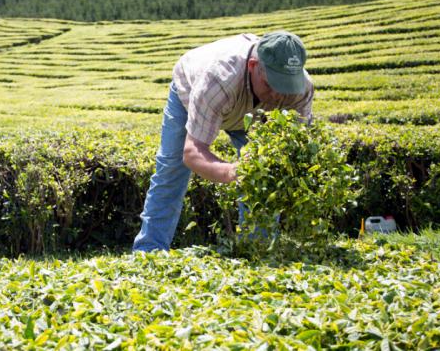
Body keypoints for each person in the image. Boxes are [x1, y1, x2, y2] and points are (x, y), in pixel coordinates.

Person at [132, 30, 315, 252]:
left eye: (285, 87)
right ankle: (149, 251)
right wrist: (232, 172)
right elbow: (192, 152)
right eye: (271, 85)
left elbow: (292, 145)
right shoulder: (218, 79)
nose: (278, 95)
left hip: (252, 114)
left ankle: (257, 249)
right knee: (171, 169)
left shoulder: (301, 88)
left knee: (265, 175)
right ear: (253, 67)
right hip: (193, 93)